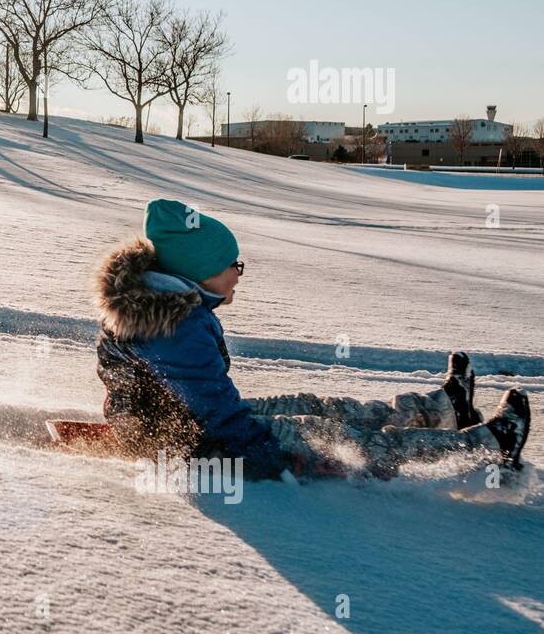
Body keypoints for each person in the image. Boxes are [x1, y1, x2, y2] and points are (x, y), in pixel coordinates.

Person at [93, 198, 531, 481]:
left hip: (191, 427)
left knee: (316, 406)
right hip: (198, 447)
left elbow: (206, 403)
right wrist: (288, 458)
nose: (239, 273)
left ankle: (442, 409)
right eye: (233, 265)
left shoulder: (161, 303)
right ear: (196, 273)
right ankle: (489, 447)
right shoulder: (173, 328)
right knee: (331, 435)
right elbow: (220, 423)